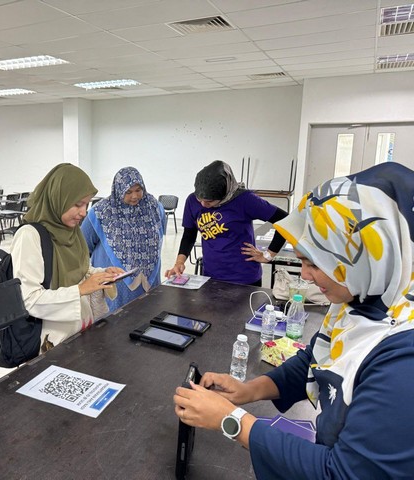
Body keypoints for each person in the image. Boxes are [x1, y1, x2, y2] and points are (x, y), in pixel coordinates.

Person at [173, 162, 414, 478]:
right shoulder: (359, 302)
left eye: (314, 264)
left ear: (365, 257)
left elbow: (343, 473)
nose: (305, 276)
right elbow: (313, 361)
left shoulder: (404, 361)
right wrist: (248, 390)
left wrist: (232, 420)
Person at [10, 163, 123, 352]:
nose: (83, 212)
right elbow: (29, 300)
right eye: (77, 204)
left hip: (81, 330)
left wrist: (101, 275)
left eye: (87, 204)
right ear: (58, 198)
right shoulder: (30, 236)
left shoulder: (72, 231)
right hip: (52, 342)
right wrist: (80, 289)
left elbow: (80, 270)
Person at [164, 160, 288, 286]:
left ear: (224, 195)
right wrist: (179, 262)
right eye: (199, 199)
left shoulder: (245, 200)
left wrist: (268, 255)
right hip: (211, 275)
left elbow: (284, 220)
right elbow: (189, 234)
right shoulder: (192, 201)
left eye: (210, 201)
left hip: (244, 277)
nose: (203, 204)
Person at [81, 167, 166, 312]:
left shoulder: (155, 207)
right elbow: (83, 246)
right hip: (116, 284)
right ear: (118, 190)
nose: (135, 196)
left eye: (138, 190)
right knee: (116, 320)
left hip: (150, 281)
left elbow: (161, 232)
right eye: (128, 192)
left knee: (149, 316)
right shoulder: (101, 212)